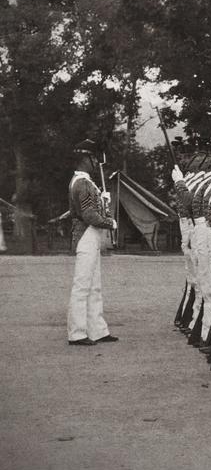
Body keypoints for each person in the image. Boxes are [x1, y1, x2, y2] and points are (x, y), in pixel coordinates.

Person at [66, 139, 118, 346]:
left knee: (94, 285)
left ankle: (97, 329)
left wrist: (102, 202)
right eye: (93, 158)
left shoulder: (84, 182)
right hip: (86, 235)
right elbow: (89, 215)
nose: (96, 162)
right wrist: (110, 222)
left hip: (90, 236)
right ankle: (77, 333)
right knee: (82, 286)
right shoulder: (83, 184)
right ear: (84, 159)